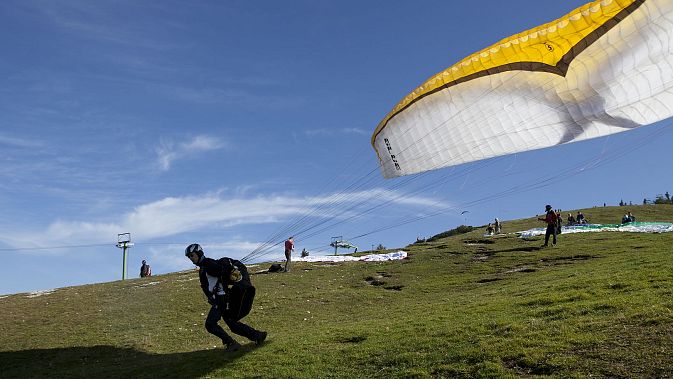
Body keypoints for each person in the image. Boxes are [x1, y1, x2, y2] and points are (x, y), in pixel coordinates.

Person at [185, 243, 267, 352]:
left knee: (210, 324)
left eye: (192, 255)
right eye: (189, 256)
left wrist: (230, 272)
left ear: (199, 253)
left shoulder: (208, 263)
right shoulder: (203, 267)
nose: (191, 258)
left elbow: (224, 271)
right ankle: (257, 335)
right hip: (221, 299)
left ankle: (231, 343)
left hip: (221, 299)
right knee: (232, 324)